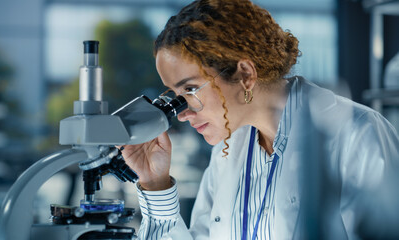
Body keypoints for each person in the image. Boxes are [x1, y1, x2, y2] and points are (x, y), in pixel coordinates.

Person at [121, 0, 399, 239]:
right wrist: (155, 184)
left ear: (244, 74)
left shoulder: (358, 133)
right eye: (175, 95)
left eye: (190, 90)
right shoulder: (228, 150)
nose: (181, 113)